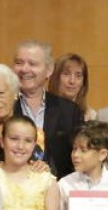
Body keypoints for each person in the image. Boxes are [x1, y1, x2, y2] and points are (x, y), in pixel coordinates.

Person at [13, 40, 85, 177]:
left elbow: (80, 156)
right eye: (19, 63)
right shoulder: (3, 108)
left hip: (58, 189)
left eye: (32, 64)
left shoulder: (70, 111)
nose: (24, 69)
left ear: (49, 70)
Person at [51, 53, 97, 120]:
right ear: (56, 78)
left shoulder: (91, 116)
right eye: (66, 74)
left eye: (78, 76)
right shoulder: (42, 112)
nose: (72, 81)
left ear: (83, 83)